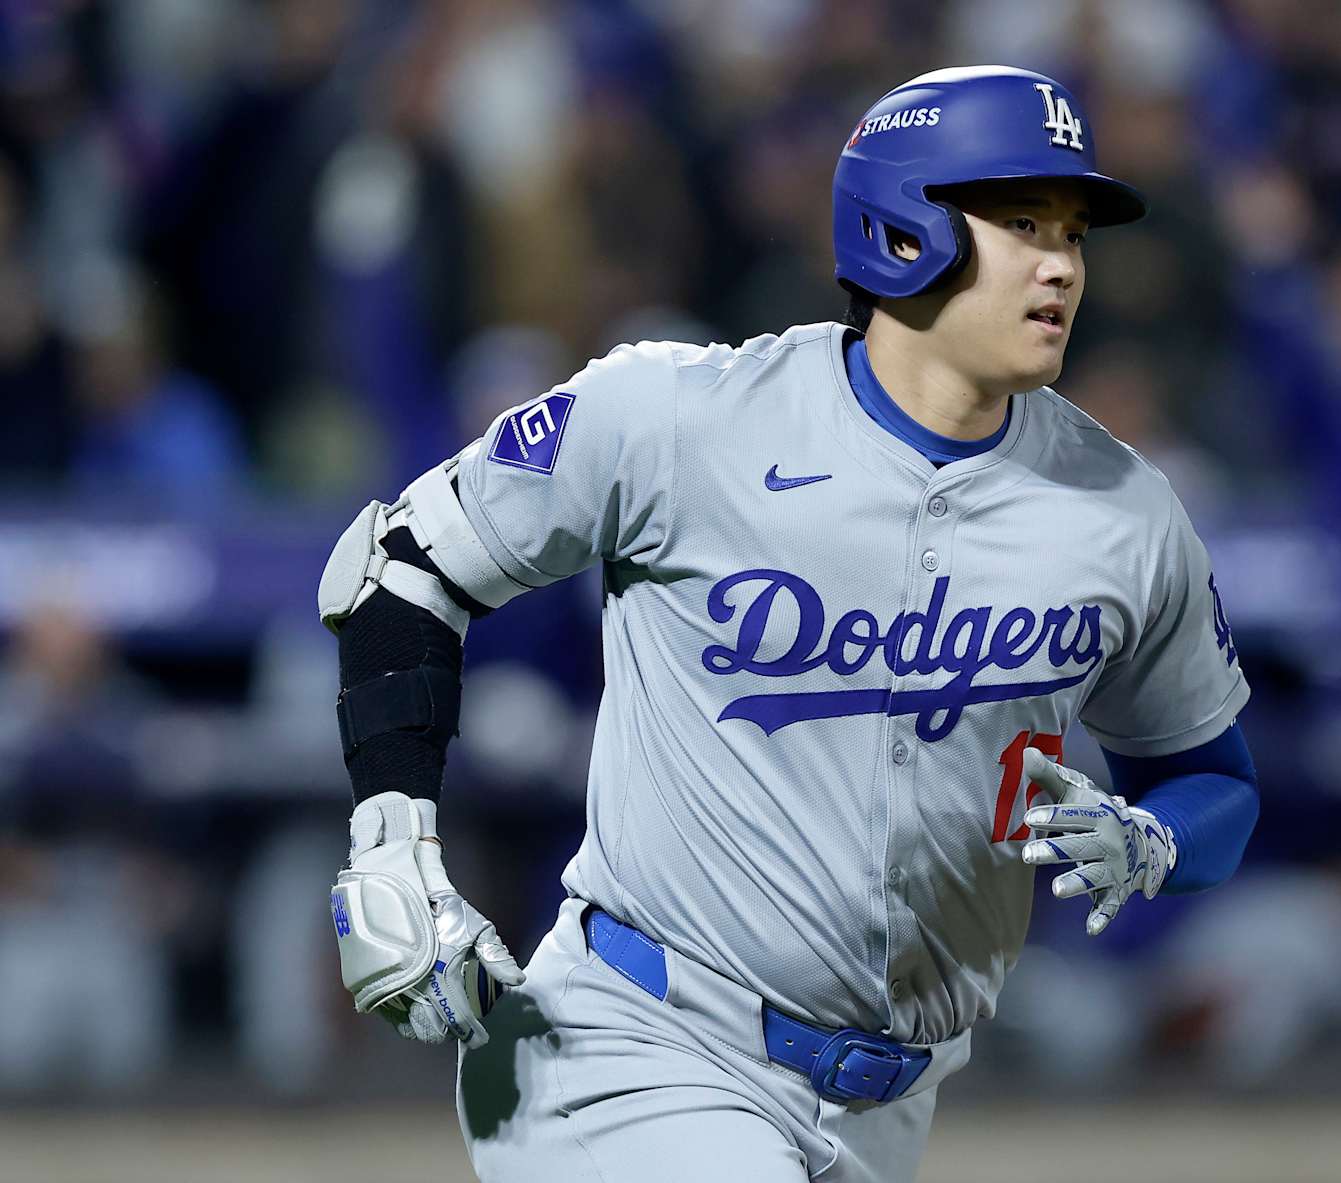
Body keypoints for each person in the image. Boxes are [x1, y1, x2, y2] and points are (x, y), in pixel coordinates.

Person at [319, 65, 1260, 1183]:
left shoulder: (1123, 509)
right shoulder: (683, 417)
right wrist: (393, 840)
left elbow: (1218, 781)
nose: (1062, 262)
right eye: (1020, 222)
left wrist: (1156, 842)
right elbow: (399, 563)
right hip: (629, 1045)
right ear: (904, 229)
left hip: (888, 1105)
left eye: (1072, 232)